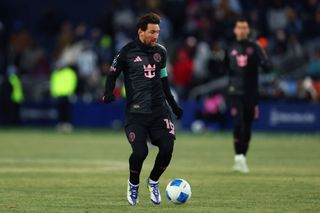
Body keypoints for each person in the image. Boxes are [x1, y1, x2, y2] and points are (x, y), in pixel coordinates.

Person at [102, 13, 183, 205]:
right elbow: (112, 74)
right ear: (141, 32)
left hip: (159, 112)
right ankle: (133, 184)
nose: (156, 36)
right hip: (136, 114)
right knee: (140, 153)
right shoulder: (126, 52)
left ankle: (153, 181)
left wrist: (173, 105)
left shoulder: (160, 52)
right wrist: (108, 92)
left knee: (167, 149)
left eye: (158, 32)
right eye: (152, 32)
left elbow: (164, 81)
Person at [224, 18, 272, 173]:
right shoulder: (230, 47)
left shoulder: (255, 47)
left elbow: (268, 67)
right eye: (239, 27)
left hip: (251, 93)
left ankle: (242, 156)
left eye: (245, 27)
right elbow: (222, 67)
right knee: (238, 123)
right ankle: (238, 157)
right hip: (235, 92)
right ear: (235, 30)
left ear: (248, 30)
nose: (242, 30)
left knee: (247, 124)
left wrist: (263, 59)